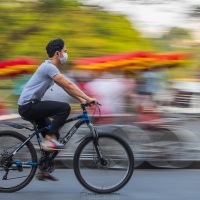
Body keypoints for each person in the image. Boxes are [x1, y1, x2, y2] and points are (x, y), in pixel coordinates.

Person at [18, 38, 97, 151]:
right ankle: (49, 140)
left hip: (31, 105)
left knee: (55, 135)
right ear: (57, 53)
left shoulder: (50, 68)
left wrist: (81, 100)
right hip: (29, 106)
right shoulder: (48, 67)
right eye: (65, 51)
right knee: (64, 108)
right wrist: (88, 98)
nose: (66, 54)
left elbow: (66, 87)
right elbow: (69, 84)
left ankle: (44, 164)